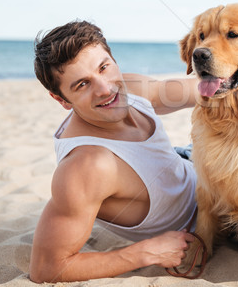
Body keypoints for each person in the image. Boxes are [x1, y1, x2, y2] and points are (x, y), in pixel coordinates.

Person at [30, 20, 199, 282]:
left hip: (190, 160)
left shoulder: (129, 87)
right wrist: (145, 253)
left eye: (104, 67)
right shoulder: (86, 166)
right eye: (82, 85)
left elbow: (203, 91)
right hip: (206, 215)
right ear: (61, 100)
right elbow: (47, 268)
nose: (106, 89)